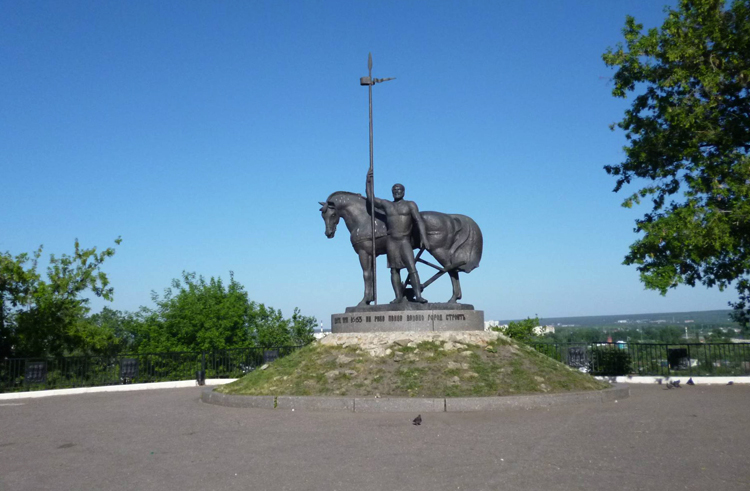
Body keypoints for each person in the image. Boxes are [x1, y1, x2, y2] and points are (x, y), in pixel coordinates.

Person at [366, 169, 430, 303]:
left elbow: (419, 221)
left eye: (399, 189)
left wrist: (423, 237)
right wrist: (368, 181)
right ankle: (398, 297)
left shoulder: (410, 205)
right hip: (392, 241)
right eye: (394, 190)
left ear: (403, 191)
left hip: (404, 240)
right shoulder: (387, 205)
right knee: (394, 270)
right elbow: (370, 198)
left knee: (412, 268)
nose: (397, 191)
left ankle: (418, 296)